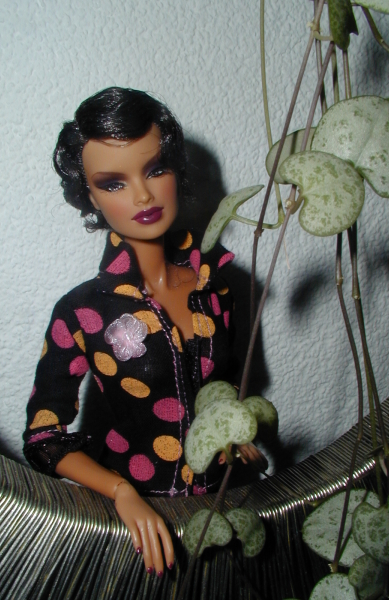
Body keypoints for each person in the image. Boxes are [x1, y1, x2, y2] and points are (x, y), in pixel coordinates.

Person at [23, 87, 264, 578]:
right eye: (113, 183)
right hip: (135, 523)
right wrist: (120, 492)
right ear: (89, 196)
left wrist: (233, 430)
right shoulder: (82, 312)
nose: (143, 195)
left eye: (155, 170)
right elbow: (43, 438)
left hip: (223, 501)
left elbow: (224, 384)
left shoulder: (216, 286)